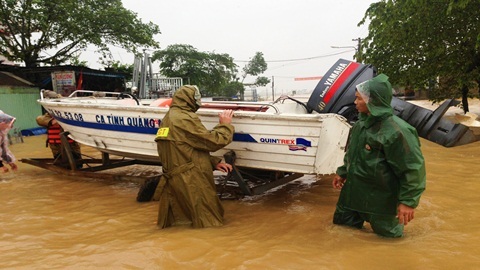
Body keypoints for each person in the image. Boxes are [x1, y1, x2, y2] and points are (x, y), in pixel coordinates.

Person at [332, 74, 426, 238]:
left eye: (359, 99)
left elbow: (412, 169)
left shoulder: (398, 131)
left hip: (381, 200)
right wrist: (342, 172)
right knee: (341, 233)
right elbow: (352, 154)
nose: (355, 103)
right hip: (352, 195)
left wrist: (408, 202)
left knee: (389, 244)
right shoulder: (360, 125)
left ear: (372, 101)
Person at [153, 85, 235, 229]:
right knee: (209, 223)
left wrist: (213, 162)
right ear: (190, 99)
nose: (199, 102)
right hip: (191, 179)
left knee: (181, 223)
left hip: (176, 178)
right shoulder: (184, 119)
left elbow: (183, 147)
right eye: (197, 98)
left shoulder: (170, 117)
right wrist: (225, 125)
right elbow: (212, 142)